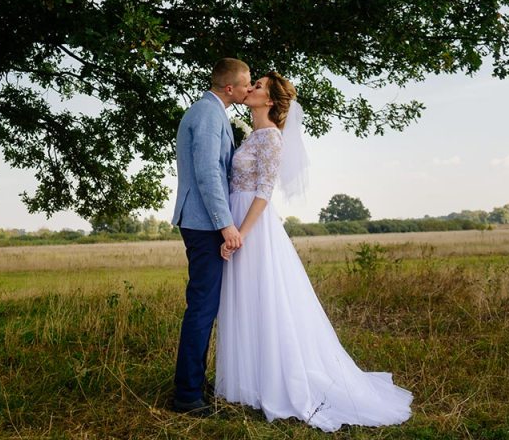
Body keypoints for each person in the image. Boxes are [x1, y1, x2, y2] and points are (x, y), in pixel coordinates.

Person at [216, 73, 413, 430]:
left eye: (258, 86)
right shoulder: (251, 135)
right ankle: (248, 381)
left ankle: (277, 381)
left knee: (266, 300)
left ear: (270, 101)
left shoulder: (272, 138)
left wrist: (241, 233)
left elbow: (264, 192)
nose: (251, 89)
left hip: (253, 226)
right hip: (236, 218)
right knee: (245, 300)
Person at [169, 57, 252, 416]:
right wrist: (225, 224)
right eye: (247, 83)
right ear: (229, 88)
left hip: (205, 223)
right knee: (202, 307)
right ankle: (186, 395)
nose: (250, 89)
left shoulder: (213, 112)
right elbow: (207, 173)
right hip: (204, 225)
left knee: (206, 305)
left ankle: (193, 382)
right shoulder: (206, 113)